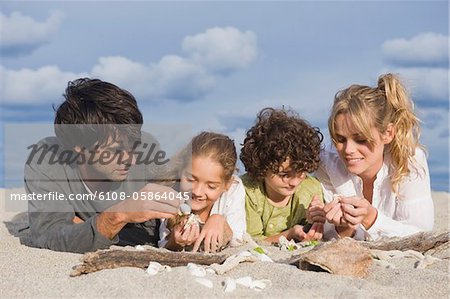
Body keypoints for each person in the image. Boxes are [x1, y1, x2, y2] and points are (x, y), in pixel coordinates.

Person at [25, 78, 181, 253]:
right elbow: (48, 236)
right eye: (115, 151)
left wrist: (85, 226)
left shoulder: (146, 148)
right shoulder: (47, 156)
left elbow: (160, 230)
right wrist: (118, 216)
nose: (131, 159)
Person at [316, 73, 434, 240]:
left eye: (360, 139)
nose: (348, 150)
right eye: (340, 139)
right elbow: (325, 233)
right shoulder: (327, 161)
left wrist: (371, 218)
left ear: (388, 133)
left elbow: (421, 234)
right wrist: (344, 228)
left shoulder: (410, 160)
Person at [240, 107, 325, 243]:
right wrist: (289, 234)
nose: (294, 182)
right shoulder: (248, 191)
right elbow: (251, 241)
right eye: (284, 174)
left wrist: (312, 223)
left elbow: (314, 235)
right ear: (262, 167)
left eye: (301, 173)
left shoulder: (311, 190)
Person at [159, 132, 246, 253]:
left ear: (227, 185)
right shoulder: (171, 194)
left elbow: (239, 239)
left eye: (211, 186)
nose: (197, 192)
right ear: (181, 171)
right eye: (190, 179)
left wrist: (219, 220)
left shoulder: (234, 188)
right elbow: (163, 245)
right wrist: (175, 241)